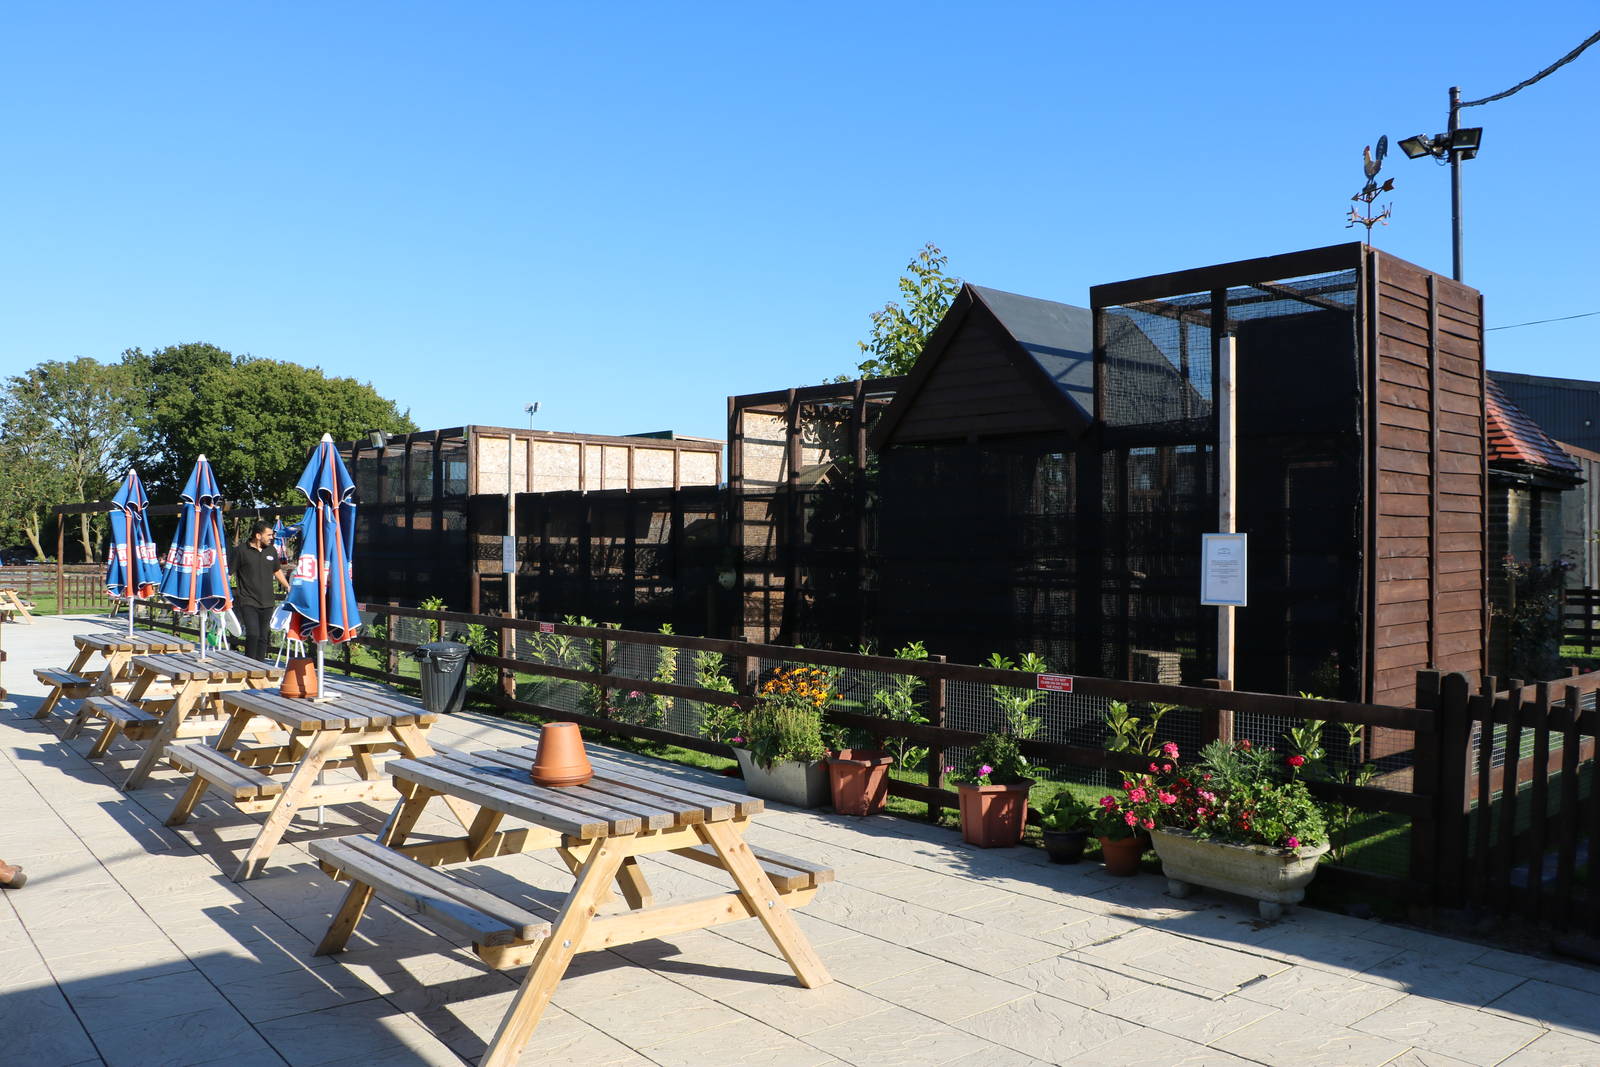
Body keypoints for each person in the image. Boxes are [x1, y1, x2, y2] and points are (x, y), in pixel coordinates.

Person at [232, 521, 289, 661]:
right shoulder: (241, 551)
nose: (272, 537)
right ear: (258, 535)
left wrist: (288, 586)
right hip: (248, 600)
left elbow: (277, 571)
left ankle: (260, 667)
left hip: (268, 601)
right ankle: (249, 665)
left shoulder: (271, 550)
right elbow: (229, 573)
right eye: (268, 535)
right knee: (253, 634)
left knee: (263, 637)